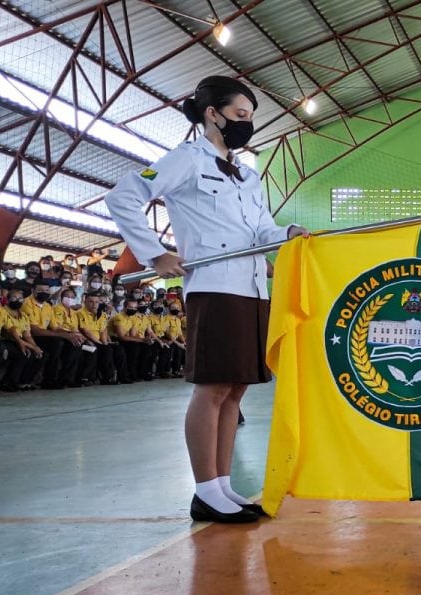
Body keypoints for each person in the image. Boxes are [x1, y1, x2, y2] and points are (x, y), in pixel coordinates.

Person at [106, 75, 310, 524]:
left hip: (253, 287)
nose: (245, 125)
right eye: (239, 115)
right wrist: (155, 253)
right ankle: (203, 491)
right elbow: (122, 197)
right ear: (212, 114)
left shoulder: (247, 175)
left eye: (250, 118)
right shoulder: (186, 161)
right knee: (213, 387)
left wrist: (288, 234)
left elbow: (260, 231)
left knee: (236, 389)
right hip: (214, 286)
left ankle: (221, 485)